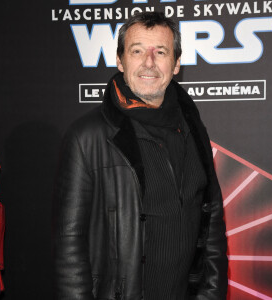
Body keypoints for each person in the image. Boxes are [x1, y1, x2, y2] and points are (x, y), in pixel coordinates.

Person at [53, 12, 227, 300]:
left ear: (176, 64)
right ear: (120, 60)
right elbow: (69, 245)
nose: (149, 62)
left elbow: (212, 222)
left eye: (160, 52)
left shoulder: (194, 128)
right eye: (137, 51)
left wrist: (211, 293)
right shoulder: (86, 136)